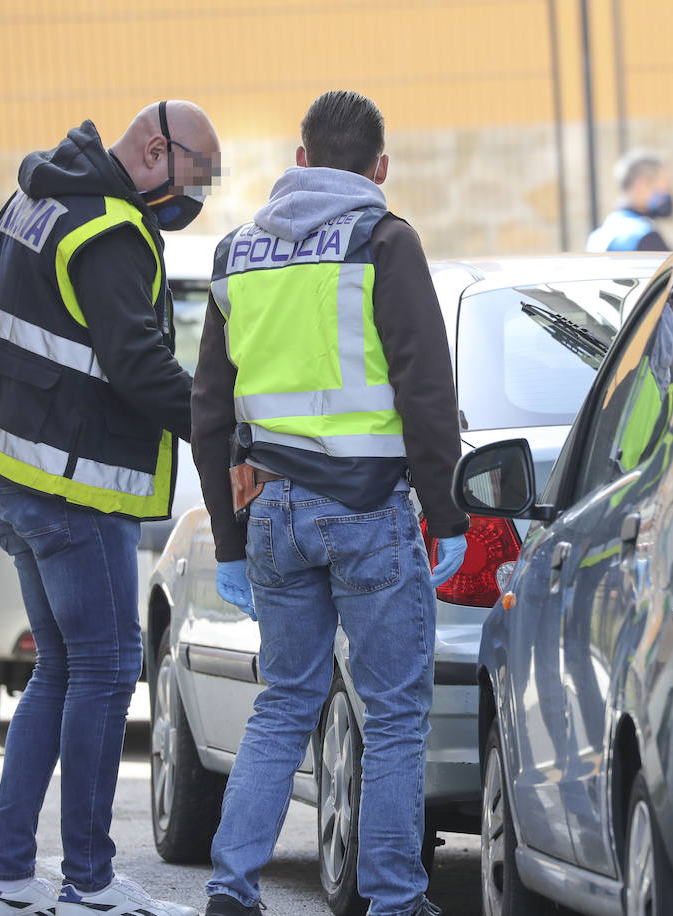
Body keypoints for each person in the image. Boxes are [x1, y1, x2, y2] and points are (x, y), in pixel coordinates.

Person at [190, 89, 469, 916]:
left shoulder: (237, 253)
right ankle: (392, 901)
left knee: (284, 701)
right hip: (370, 512)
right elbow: (426, 384)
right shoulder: (385, 240)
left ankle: (232, 887)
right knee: (390, 716)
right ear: (379, 168)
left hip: (274, 514)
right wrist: (447, 513)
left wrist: (231, 539)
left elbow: (210, 410)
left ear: (301, 159)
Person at [0, 100, 220, 916]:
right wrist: (223, 429)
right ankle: (90, 881)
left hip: (9, 474)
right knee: (102, 668)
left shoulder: (40, 198)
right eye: (192, 177)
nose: (194, 198)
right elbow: (136, 365)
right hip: (70, 484)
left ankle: (9, 875)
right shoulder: (110, 232)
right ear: (154, 150)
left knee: (59, 670)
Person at [585, 148, 673, 252]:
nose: (667, 193)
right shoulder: (646, 238)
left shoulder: (597, 237)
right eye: (665, 186)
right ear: (641, 186)